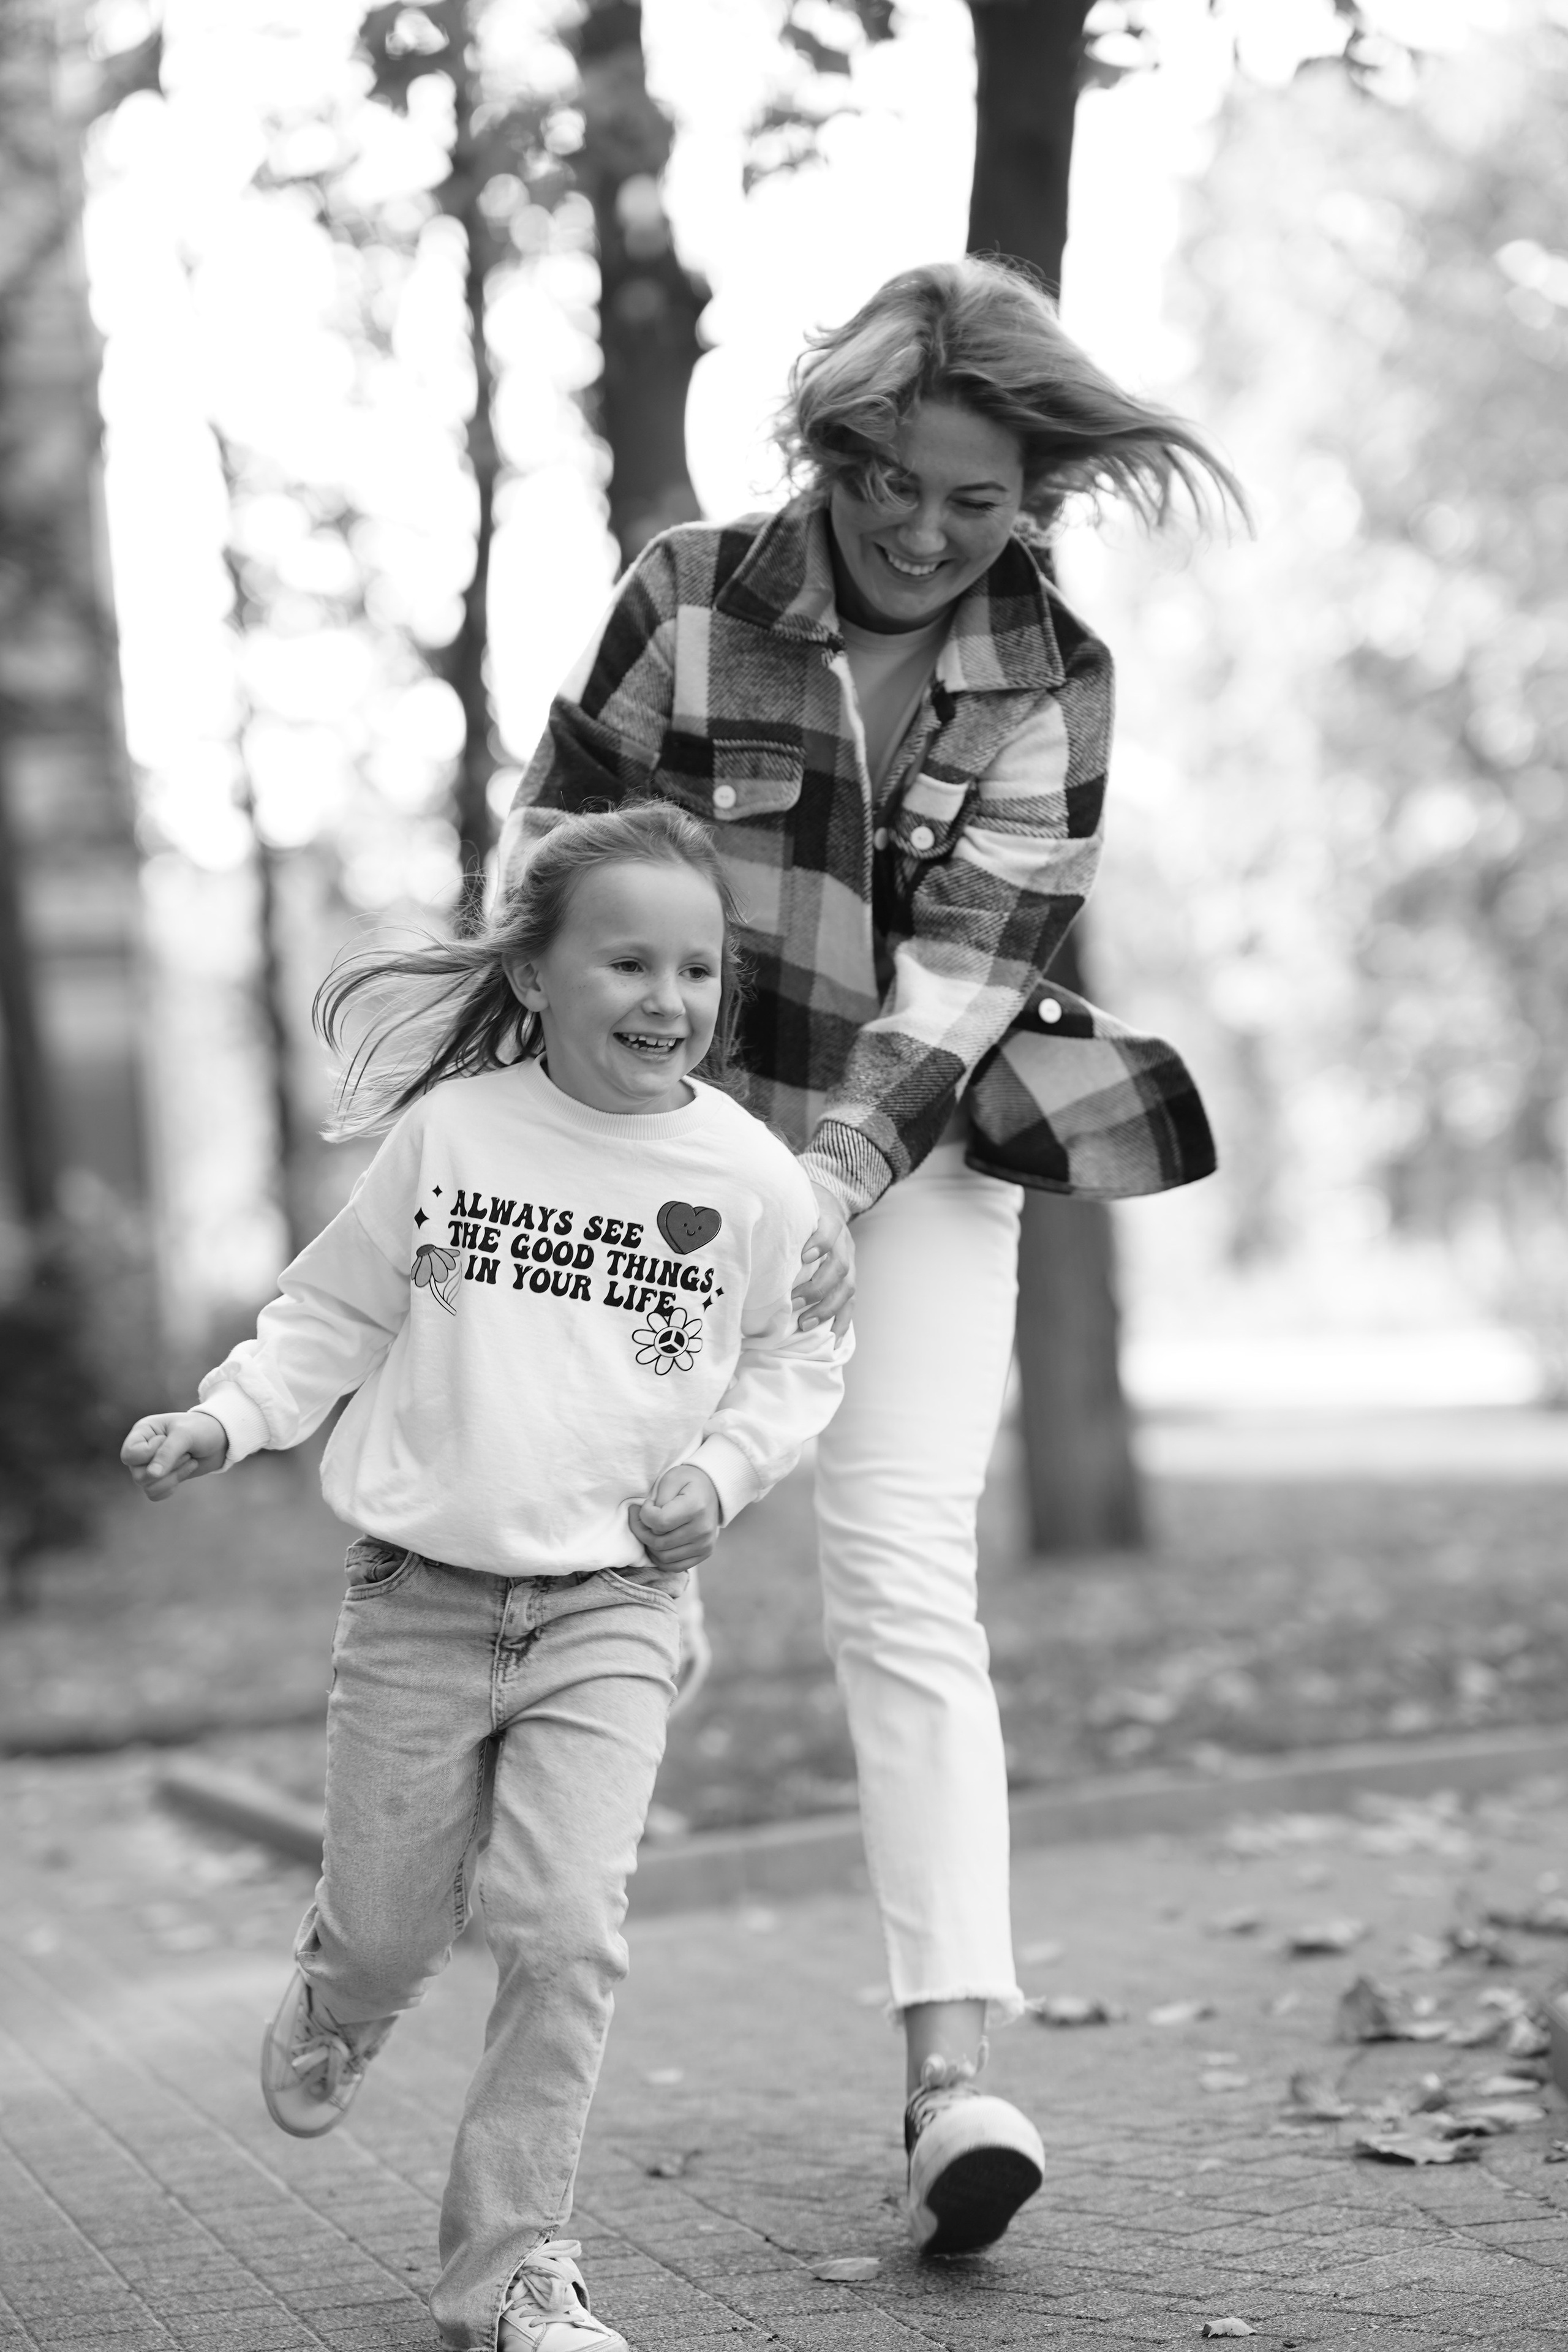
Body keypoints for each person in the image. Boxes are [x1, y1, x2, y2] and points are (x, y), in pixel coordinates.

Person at [502, 257, 1238, 2260]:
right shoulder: (691, 594)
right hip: (658, 1127)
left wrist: (831, 1174)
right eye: (891, 480)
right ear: (834, 451)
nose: (923, 529)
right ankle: (494, 2003)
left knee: (905, 1573)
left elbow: (975, 971)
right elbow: (563, 866)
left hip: (909, 1150)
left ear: (1039, 495)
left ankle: (953, 2084)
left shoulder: (1058, 678)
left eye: (975, 499)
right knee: (592, 1543)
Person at [119, 802, 849, 2352]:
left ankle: (514, 2270)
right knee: (392, 1926)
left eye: (699, 971)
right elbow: (330, 1318)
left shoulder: (745, 1175)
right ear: (533, 975)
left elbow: (799, 1357)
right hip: (419, 1598)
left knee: (564, 1927)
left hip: (614, 1607)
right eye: (629, 963)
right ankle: (344, 1993)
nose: (669, 1000)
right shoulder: (452, 1139)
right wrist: (227, 1417)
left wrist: (718, 1477)